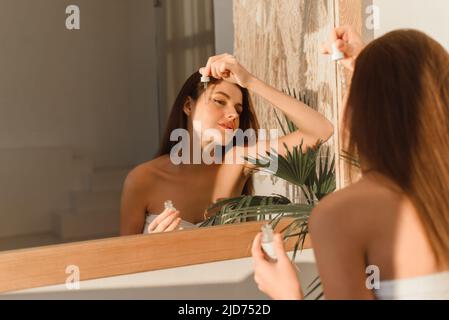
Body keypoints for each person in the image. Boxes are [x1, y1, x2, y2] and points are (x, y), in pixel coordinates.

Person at [252, 26, 449, 300]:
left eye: (350, 89)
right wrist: (371, 66)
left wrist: (286, 293)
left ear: (360, 109)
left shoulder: (342, 215)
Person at [120, 55, 334, 235]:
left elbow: (320, 130)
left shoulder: (237, 162)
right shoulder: (142, 180)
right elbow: (121, 265)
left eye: (238, 109)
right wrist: (153, 247)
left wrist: (249, 80)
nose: (232, 114)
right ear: (188, 105)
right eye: (220, 101)